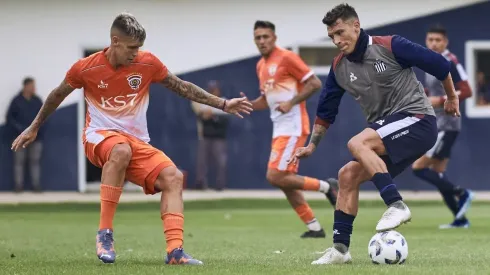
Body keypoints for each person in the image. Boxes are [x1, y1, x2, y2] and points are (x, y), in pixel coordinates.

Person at [11, 12, 252, 265]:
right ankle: (105, 234)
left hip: (135, 142)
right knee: (120, 150)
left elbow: (181, 86)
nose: (136, 53)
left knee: (173, 177)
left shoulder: (148, 63)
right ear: (115, 41)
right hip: (99, 137)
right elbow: (57, 94)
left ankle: (175, 252)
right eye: (132, 47)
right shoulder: (85, 68)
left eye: (139, 48)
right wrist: (34, 126)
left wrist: (223, 104)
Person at [289, 3, 460, 264]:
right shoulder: (339, 68)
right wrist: (312, 145)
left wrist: (451, 98)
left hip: (418, 120)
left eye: (340, 32)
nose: (336, 40)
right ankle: (340, 250)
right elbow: (326, 112)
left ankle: (396, 204)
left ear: (356, 26)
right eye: (331, 36)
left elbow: (440, 64)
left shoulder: (390, 45)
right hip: (389, 133)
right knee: (347, 175)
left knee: (357, 142)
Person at [241, 20, 339, 239]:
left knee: (275, 176)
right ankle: (314, 227)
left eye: (266, 36)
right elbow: (267, 100)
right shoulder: (261, 66)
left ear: (274, 38)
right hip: (280, 129)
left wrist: (292, 102)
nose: (262, 41)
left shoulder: (286, 57)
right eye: (258, 37)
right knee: (285, 182)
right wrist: (247, 104)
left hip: (294, 127)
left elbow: (314, 83)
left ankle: (327, 187)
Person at [412, 24, 474, 229]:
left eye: (438, 40)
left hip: (448, 125)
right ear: (426, 41)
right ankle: (460, 219)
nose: (434, 43)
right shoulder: (430, 61)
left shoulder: (451, 61)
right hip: (438, 123)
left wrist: (438, 100)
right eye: (430, 40)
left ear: (445, 42)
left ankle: (462, 193)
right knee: (438, 174)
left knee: (419, 168)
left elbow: (466, 90)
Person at [6, 77, 44, 192]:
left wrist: (36, 130)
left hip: (36, 138)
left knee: (35, 162)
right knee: (19, 162)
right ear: (26, 86)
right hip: (19, 137)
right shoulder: (16, 101)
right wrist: (21, 130)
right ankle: (18, 187)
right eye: (32, 86)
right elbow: (10, 118)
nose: (34, 88)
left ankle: (36, 186)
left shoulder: (37, 100)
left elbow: (44, 116)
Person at [192, 80, 230, 191]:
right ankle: (200, 183)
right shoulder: (203, 103)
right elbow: (201, 117)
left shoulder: (224, 102)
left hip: (219, 137)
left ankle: (220, 185)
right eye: (211, 90)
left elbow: (225, 120)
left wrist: (213, 116)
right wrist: (206, 117)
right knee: (202, 162)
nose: (213, 92)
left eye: (215, 89)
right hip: (206, 136)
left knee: (220, 162)